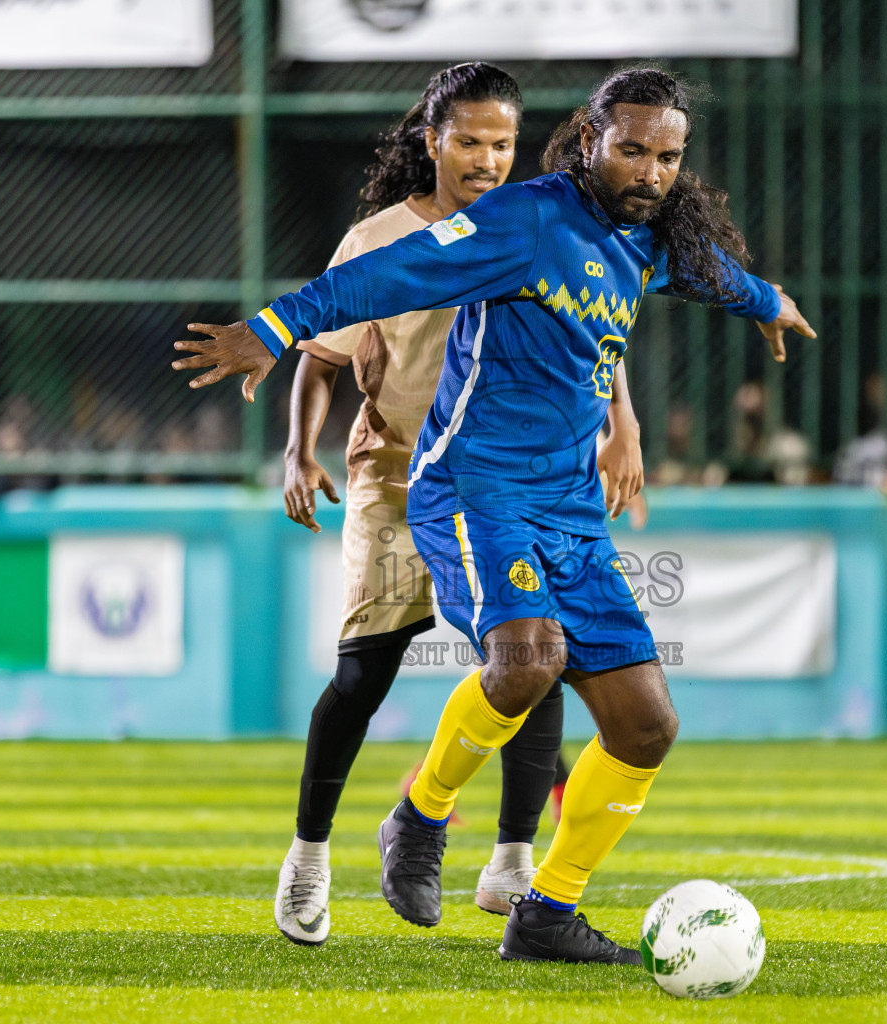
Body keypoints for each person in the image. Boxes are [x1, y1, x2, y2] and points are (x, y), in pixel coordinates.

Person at [171, 65, 813, 964]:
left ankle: (548, 910)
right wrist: (275, 331)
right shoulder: (525, 220)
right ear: (590, 140)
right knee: (526, 658)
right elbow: (387, 276)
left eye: (668, 157)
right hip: (472, 487)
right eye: (632, 150)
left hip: (570, 508)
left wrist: (767, 302)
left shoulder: (644, 238)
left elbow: (707, 273)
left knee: (646, 725)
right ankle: (417, 818)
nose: (651, 172)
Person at [265, 63, 644, 947]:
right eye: (468, 140)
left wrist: (624, 423)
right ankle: (309, 857)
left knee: (532, 654)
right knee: (365, 672)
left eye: (503, 142)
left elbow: (594, 322)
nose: (486, 158)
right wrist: (298, 451)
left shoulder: (546, 220)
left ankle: (512, 862)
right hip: (399, 478)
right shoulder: (380, 238)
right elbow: (321, 359)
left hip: (514, 480)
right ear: (429, 142)